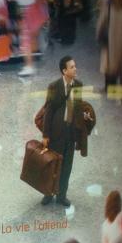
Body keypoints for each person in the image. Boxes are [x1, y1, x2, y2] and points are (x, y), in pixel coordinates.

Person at [40, 56, 87, 207]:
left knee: (67, 166)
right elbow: (49, 112)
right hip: (56, 133)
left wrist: (84, 115)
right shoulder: (54, 86)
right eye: (72, 67)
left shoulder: (78, 85)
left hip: (71, 133)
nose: (75, 69)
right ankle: (48, 193)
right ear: (64, 71)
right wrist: (46, 135)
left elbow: (78, 107)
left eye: (75, 66)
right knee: (53, 164)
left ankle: (62, 195)